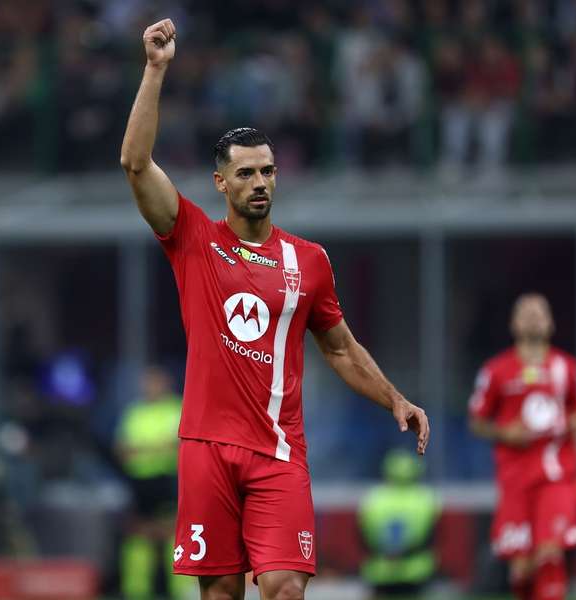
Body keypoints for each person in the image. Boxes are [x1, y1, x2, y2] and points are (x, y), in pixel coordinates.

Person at [119, 19, 430, 600]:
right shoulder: (193, 239)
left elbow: (340, 347)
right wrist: (156, 69)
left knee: (285, 587)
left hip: (279, 453)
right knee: (219, 595)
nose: (260, 181)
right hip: (207, 449)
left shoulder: (308, 260)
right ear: (220, 182)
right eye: (246, 173)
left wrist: (395, 397)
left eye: (267, 170)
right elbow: (136, 164)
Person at [468, 293, 576, 600]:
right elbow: (476, 421)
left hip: (555, 475)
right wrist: (506, 433)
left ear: (551, 323)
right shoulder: (496, 370)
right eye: (526, 312)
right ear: (513, 324)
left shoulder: (567, 368)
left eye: (540, 312)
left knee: (550, 555)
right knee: (521, 570)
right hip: (515, 479)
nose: (534, 317)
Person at [115, 366, 183, 599]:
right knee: (137, 534)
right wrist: (156, 449)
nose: (150, 387)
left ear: (165, 383)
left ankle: (181, 591)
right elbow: (123, 450)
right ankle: (136, 591)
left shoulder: (176, 408)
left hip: (167, 480)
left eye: (155, 382)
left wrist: (143, 450)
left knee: (172, 533)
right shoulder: (134, 412)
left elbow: (178, 446)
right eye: (147, 382)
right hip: (139, 481)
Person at [358, 448, 441, 598]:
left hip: (380, 570)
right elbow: (434, 536)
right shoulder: (426, 498)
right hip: (417, 571)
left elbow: (361, 537)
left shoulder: (373, 498)